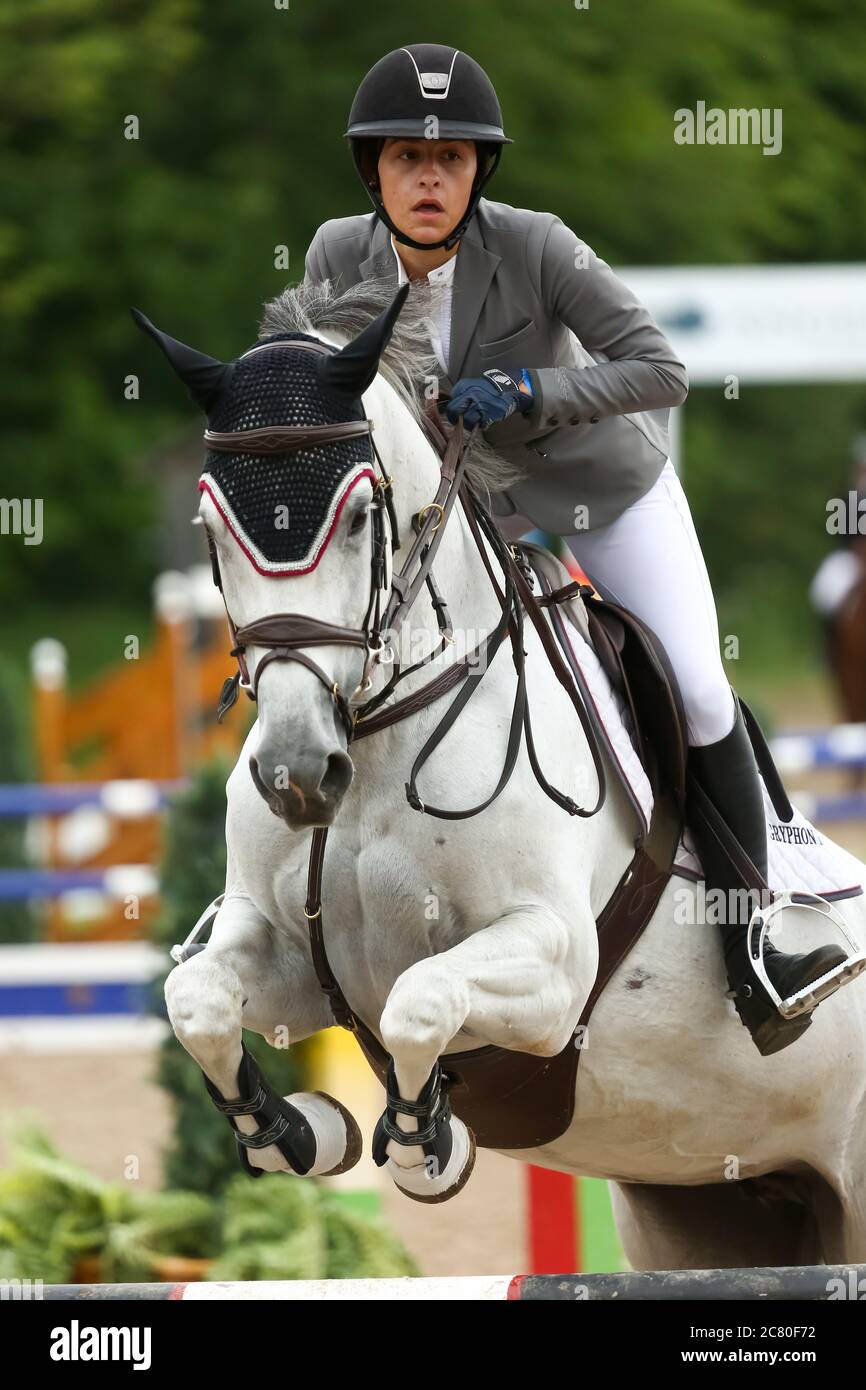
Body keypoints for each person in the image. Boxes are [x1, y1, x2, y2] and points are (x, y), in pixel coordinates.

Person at [302, 42, 855, 1053]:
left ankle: (760, 936)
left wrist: (528, 392)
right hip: (464, 515)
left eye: (452, 161)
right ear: (372, 170)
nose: (429, 180)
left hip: (601, 491)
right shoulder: (335, 257)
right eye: (406, 160)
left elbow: (661, 368)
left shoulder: (537, 246)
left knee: (690, 684)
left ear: (479, 175)